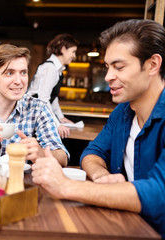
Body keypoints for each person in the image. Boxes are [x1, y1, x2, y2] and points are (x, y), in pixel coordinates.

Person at [31, 19, 165, 238]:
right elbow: (92, 153)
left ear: (152, 65)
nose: (108, 77)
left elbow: (159, 194)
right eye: (107, 67)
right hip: (123, 226)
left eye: (119, 67)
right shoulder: (122, 113)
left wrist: (65, 186)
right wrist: (103, 176)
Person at [27, 34, 79, 138]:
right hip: (31, 117)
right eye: (73, 51)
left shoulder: (57, 70)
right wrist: (57, 124)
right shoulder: (50, 68)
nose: (74, 55)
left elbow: (52, 98)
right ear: (63, 49)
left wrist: (61, 117)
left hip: (38, 116)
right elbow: (43, 99)